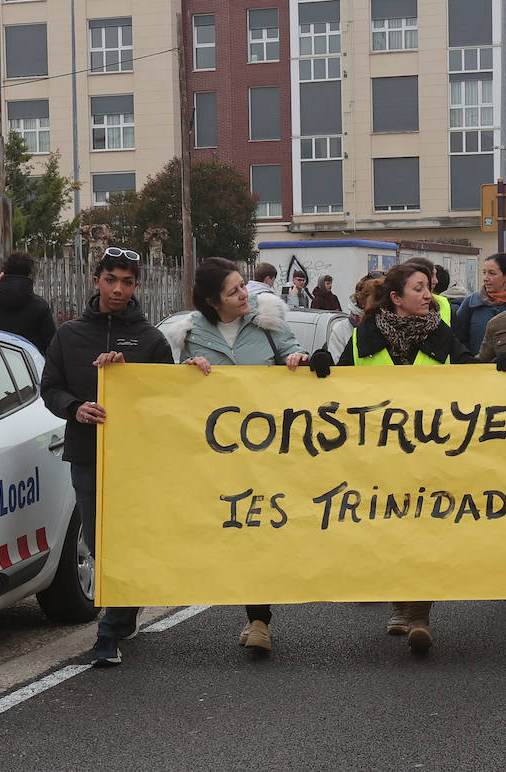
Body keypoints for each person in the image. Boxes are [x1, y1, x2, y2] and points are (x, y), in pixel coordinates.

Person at [166, 257, 311, 655]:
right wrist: (188, 370)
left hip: (266, 451)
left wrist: (296, 359)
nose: (244, 294)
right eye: (233, 292)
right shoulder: (189, 334)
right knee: (235, 534)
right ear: (213, 301)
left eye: (242, 286)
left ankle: (260, 618)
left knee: (260, 531)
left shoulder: (267, 320)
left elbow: (293, 350)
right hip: (217, 456)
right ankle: (254, 616)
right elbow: (174, 391)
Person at [39, 248, 174, 667]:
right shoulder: (68, 334)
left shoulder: (151, 339)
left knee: (128, 539)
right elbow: (50, 388)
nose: (118, 289)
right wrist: (75, 407)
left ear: (137, 286)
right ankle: (124, 610)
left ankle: (108, 631)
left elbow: (170, 396)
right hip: (87, 455)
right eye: (111, 279)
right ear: (96, 279)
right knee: (100, 542)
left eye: (127, 282)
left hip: (138, 460)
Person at [336, 262, 473, 653]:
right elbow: (341, 386)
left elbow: (471, 374)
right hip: (381, 458)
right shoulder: (364, 338)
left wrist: (502, 369)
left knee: (427, 531)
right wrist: (321, 367)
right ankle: (399, 600)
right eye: (419, 289)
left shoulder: (442, 335)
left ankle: (419, 613)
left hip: (431, 455)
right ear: (396, 298)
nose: (429, 295)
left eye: (428, 288)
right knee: (392, 531)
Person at [0, 250, 57, 353]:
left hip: (0, 358)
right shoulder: (40, 305)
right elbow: (50, 342)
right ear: (29, 271)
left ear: (5, 270)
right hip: (29, 361)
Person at [452, 252, 506, 354]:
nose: (485, 278)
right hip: (477, 367)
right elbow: (457, 339)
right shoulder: (471, 302)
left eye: (492, 273)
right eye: (484, 272)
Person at [405, 257, 453, 323]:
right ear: (396, 298)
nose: (436, 281)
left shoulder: (442, 303)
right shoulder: (388, 323)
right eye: (418, 289)